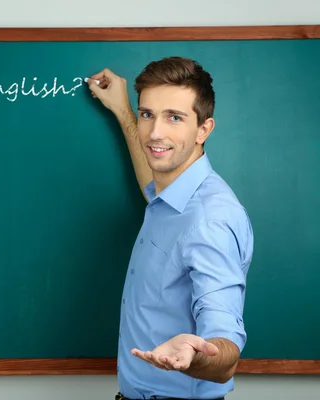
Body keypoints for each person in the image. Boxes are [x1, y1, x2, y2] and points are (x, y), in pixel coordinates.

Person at [87, 57, 254, 400]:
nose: (155, 132)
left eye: (174, 118)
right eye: (148, 114)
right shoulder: (172, 197)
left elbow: (224, 353)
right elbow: (152, 173)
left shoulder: (210, 222)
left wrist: (195, 356)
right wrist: (124, 111)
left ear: (204, 129)